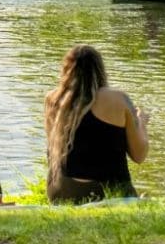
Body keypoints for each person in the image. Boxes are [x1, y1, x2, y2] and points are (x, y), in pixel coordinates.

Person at [44, 44, 149, 203]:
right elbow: (139, 155)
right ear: (100, 70)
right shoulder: (117, 99)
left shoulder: (53, 99)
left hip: (60, 193)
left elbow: (51, 153)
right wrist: (141, 123)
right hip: (109, 192)